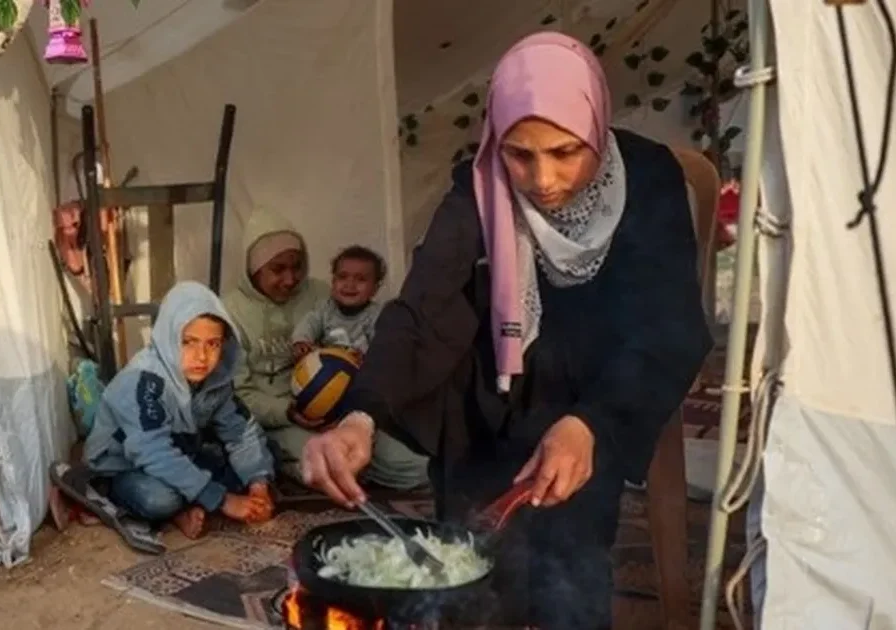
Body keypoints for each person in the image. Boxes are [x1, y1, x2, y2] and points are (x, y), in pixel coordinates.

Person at [300, 32, 712, 629]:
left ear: (596, 124)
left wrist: (590, 424)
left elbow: (666, 325)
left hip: (599, 392)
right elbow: (423, 306)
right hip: (493, 392)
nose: (543, 179)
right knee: (470, 562)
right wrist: (359, 417)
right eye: (520, 154)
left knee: (570, 562)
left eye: (566, 152)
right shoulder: (479, 184)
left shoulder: (648, 181)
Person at [222, 209, 429, 491]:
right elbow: (238, 395)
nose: (290, 278)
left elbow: (363, 329)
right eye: (277, 269)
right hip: (281, 419)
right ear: (252, 269)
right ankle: (276, 460)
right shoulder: (229, 311)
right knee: (330, 469)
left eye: (296, 266)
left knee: (419, 470)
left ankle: (359, 468)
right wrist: (289, 412)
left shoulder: (321, 294)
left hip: (342, 410)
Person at [84, 281, 275, 541]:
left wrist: (258, 487)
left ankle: (194, 501)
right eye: (188, 342)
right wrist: (222, 500)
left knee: (263, 457)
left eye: (213, 344)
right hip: (125, 466)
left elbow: (240, 433)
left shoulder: (216, 380)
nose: (202, 356)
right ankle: (177, 509)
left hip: (180, 453)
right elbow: (152, 450)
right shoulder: (143, 380)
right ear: (168, 337)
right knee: (158, 499)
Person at [291, 245, 385, 361]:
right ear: (333, 281)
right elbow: (309, 323)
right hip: (326, 369)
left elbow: (383, 345)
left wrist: (367, 356)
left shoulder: (377, 315)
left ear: (374, 289)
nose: (350, 285)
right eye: (342, 277)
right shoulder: (325, 309)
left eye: (360, 279)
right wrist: (302, 341)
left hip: (360, 371)